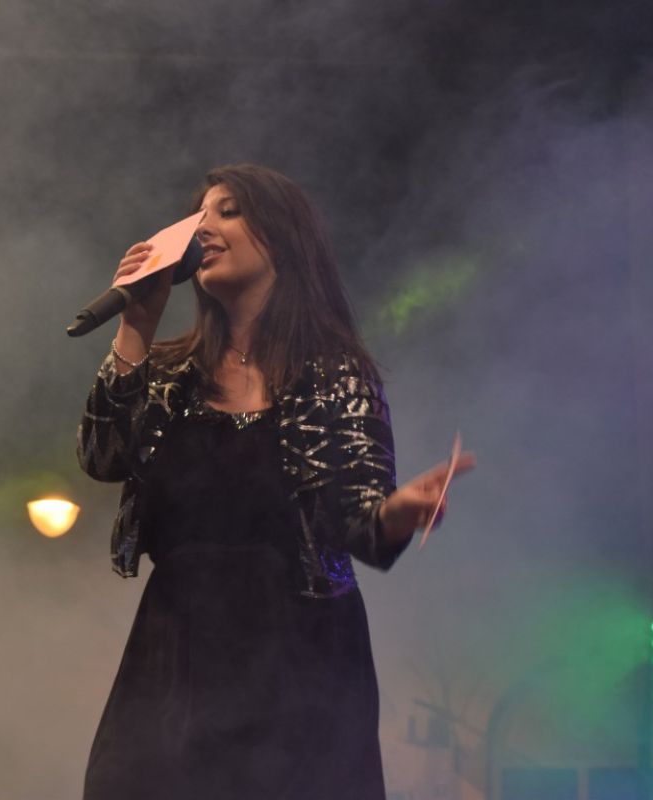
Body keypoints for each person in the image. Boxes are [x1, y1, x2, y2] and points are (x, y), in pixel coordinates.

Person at [76, 163, 475, 800]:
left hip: (301, 652)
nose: (205, 228)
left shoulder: (338, 375)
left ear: (283, 237)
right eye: (200, 216)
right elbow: (101, 457)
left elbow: (364, 530)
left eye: (229, 211)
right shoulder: (170, 374)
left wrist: (399, 511)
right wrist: (136, 326)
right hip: (177, 649)